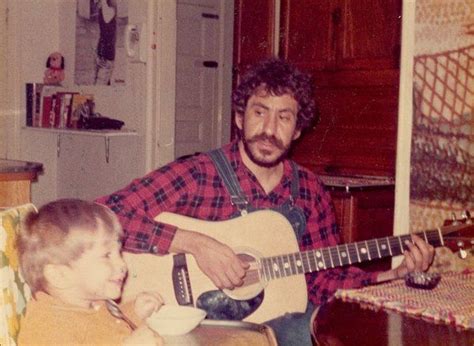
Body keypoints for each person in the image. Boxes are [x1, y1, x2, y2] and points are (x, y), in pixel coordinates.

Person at [96, 58, 435, 345]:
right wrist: (193, 243)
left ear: (298, 129)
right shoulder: (199, 173)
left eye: (284, 117)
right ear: (240, 117)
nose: (269, 129)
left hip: (273, 324)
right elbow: (104, 214)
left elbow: (324, 282)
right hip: (187, 325)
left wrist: (391, 276)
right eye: (260, 112)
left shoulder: (309, 191)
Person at [17, 199, 164, 345]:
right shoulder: (48, 329)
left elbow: (106, 330)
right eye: (106, 255)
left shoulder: (90, 302)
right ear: (60, 275)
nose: (122, 264)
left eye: (118, 252)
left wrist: (134, 313)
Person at [94, 0, 117, 85]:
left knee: (100, 85)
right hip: (102, 53)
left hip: (106, 55)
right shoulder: (102, 9)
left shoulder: (110, 10)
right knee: (102, 83)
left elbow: (107, 19)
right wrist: (97, 53)